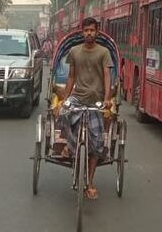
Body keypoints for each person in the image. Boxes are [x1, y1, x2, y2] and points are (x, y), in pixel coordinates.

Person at [61, 17, 113, 200]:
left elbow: (107, 76)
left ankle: (90, 183)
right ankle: (70, 144)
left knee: (97, 145)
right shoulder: (74, 52)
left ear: (97, 32)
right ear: (82, 32)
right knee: (63, 113)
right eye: (86, 30)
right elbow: (71, 77)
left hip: (96, 101)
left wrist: (107, 99)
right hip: (78, 98)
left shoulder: (104, 52)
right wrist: (65, 99)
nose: (89, 33)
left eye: (92, 30)